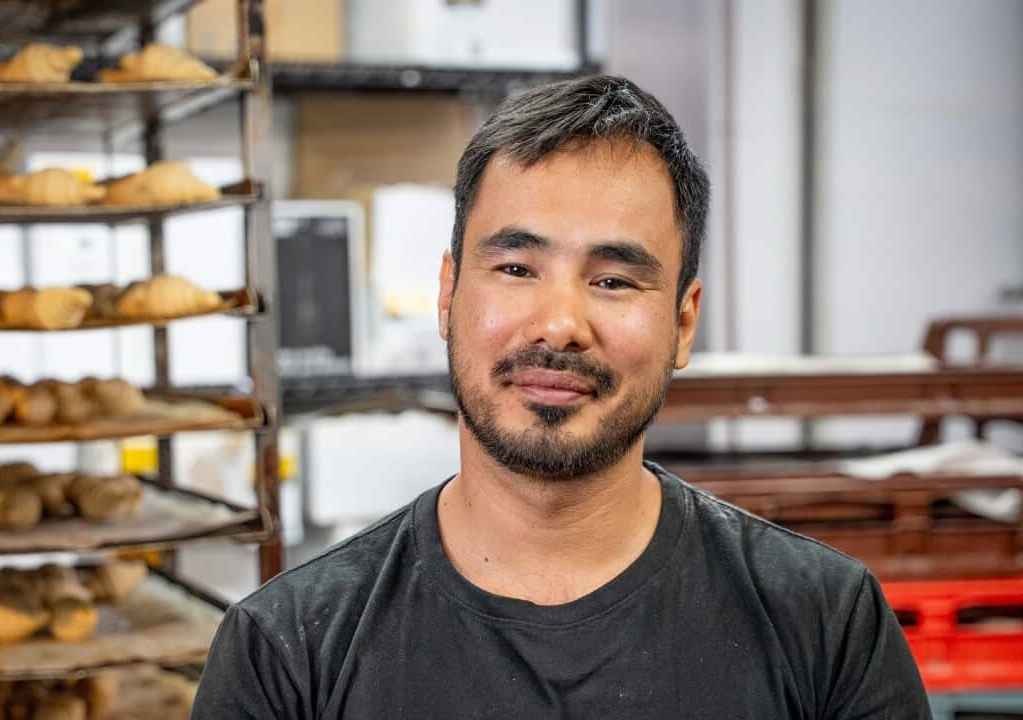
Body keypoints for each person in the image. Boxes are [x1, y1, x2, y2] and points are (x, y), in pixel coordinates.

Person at [192, 75, 930, 719]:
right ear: (447, 294)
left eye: (613, 280)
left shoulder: (826, 625)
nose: (559, 325)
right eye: (516, 268)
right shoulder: (288, 651)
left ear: (682, 321)